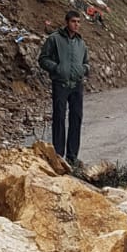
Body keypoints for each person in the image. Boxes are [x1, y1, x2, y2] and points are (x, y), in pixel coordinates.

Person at [38, 9, 89, 164]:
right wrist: (57, 68)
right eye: (74, 21)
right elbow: (43, 59)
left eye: (79, 22)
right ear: (67, 22)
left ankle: (72, 157)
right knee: (59, 118)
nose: (76, 25)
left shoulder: (81, 42)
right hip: (60, 84)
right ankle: (58, 155)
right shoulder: (54, 39)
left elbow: (86, 62)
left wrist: (84, 69)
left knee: (76, 118)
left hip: (76, 85)